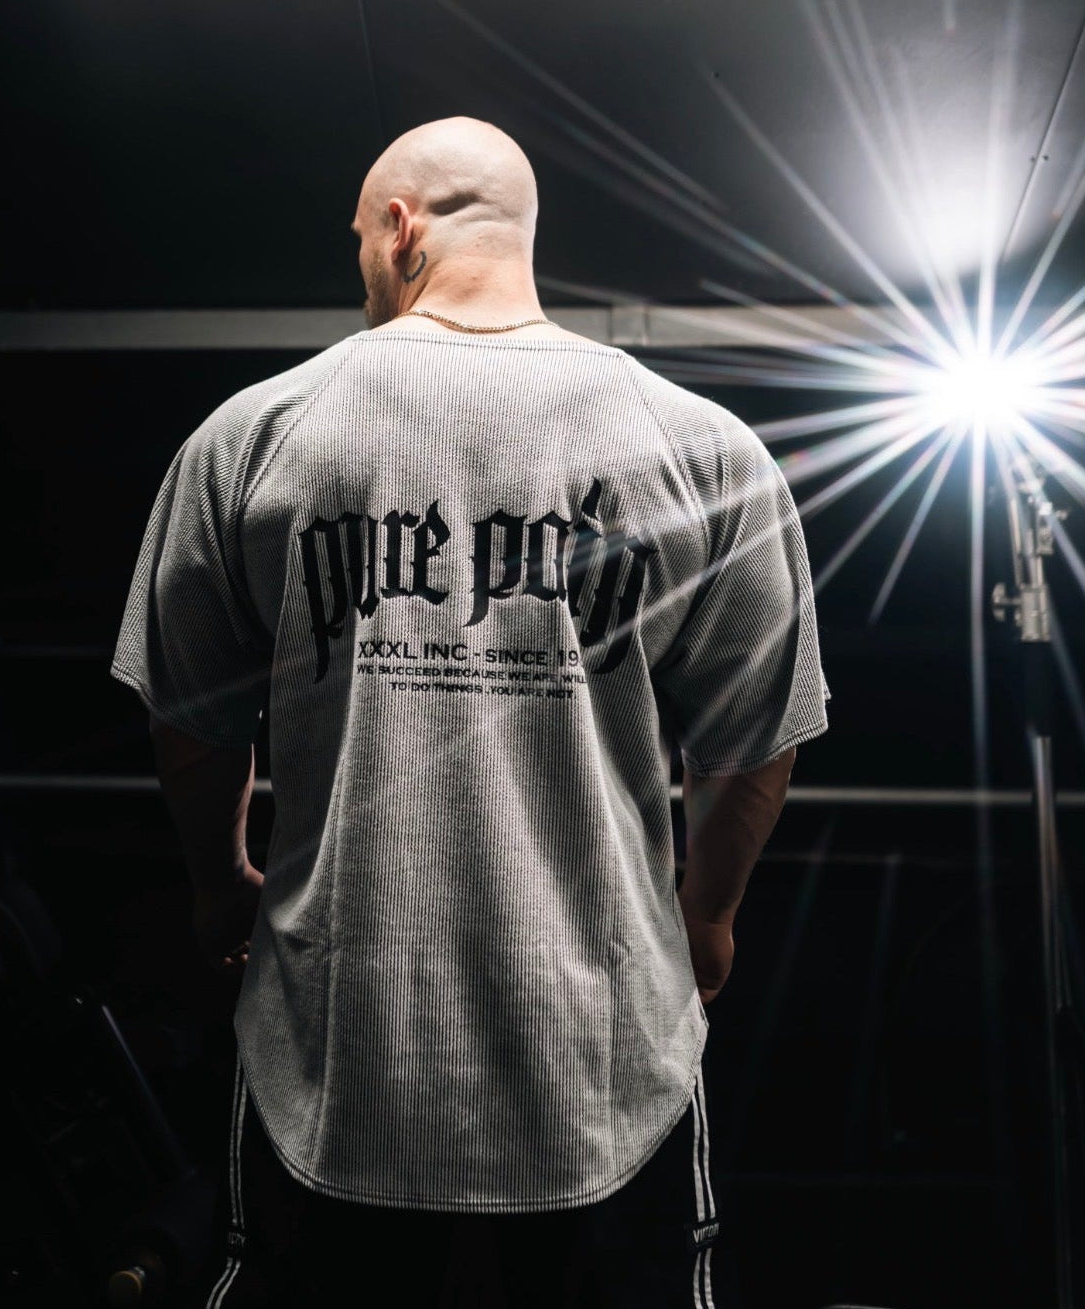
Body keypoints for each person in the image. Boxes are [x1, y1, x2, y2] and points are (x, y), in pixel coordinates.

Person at [111, 116, 829, 1308]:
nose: (362, 266)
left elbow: (192, 724)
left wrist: (220, 882)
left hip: (334, 1061)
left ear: (400, 229)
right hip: (603, 1067)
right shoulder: (703, 447)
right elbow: (753, 744)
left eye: (359, 240)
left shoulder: (251, 435)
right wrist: (705, 914)